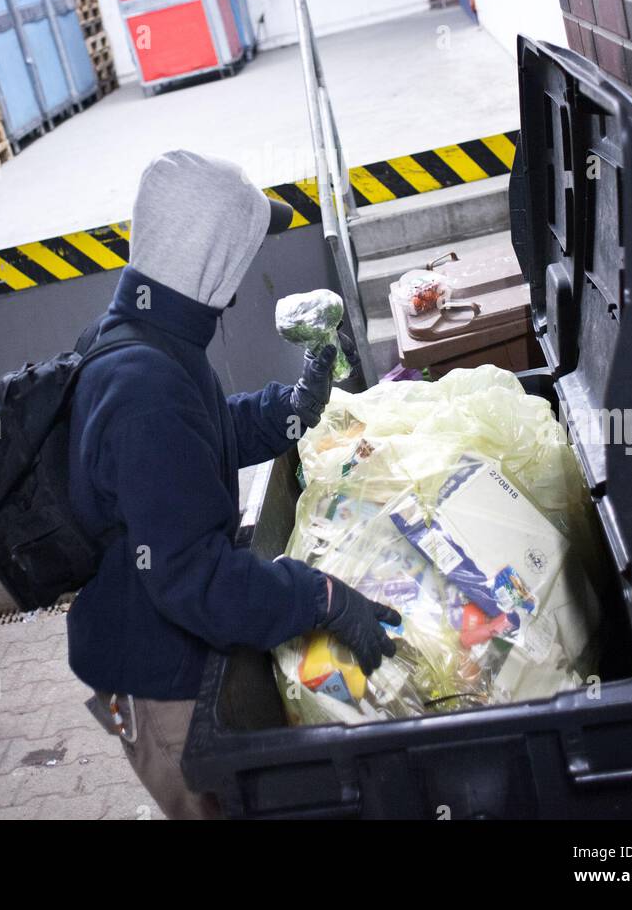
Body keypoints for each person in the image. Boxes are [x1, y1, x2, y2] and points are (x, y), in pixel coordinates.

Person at [67, 149, 399, 819]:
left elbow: (199, 439)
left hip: (157, 638)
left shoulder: (145, 334)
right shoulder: (144, 387)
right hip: (159, 685)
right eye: (243, 249)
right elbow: (199, 581)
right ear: (213, 257)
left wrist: (289, 411)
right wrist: (324, 595)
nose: (248, 268)